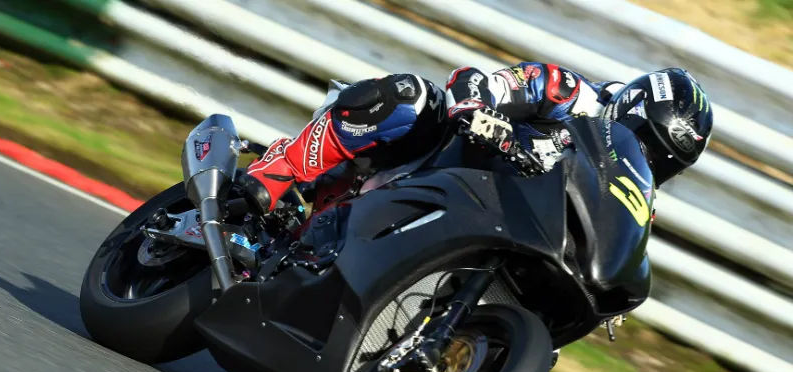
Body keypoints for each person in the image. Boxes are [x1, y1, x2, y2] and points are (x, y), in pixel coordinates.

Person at [239, 62, 714, 214]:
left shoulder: (637, 198)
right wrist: (481, 115)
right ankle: (276, 174)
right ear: (629, 111)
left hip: (489, 225)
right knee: (413, 96)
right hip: (433, 167)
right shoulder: (567, 93)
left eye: (664, 162)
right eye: (647, 144)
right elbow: (475, 81)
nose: (649, 162)